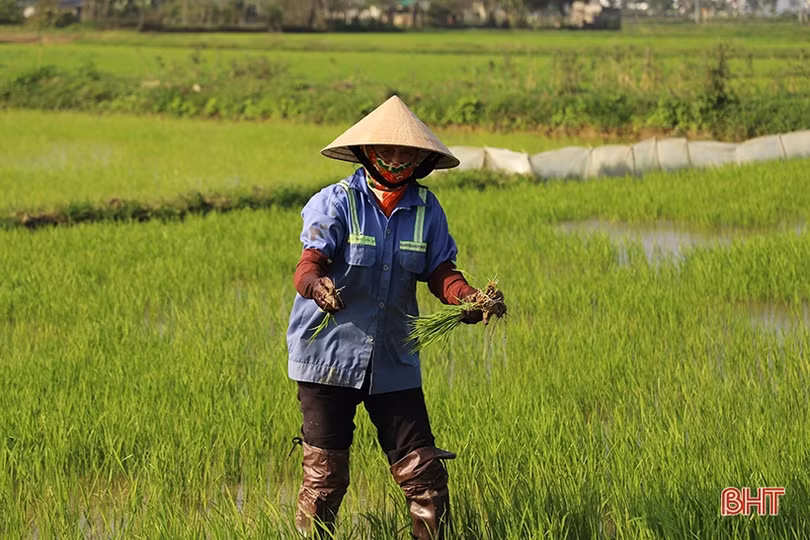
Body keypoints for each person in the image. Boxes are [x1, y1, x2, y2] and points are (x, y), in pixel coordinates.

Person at [286, 95, 506, 539]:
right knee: (325, 479)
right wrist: (318, 288)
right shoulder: (337, 203)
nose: (397, 159)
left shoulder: (426, 210)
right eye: (388, 150)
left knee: (424, 475)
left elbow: (442, 274)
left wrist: (470, 300)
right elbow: (308, 267)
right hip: (328, 360)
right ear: (368, 152)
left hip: (394, 361)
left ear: (423, 160)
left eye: (408, 153)